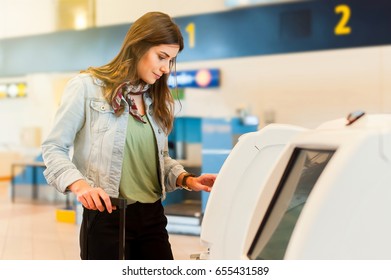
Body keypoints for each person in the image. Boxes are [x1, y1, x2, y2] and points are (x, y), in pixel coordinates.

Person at [41, 11, 216, 260]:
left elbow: (160, 160)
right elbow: (53, 147)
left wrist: (187, 179)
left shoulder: (155, 100)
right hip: (106, 218)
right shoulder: (86, 87)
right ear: (139, 46)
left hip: (153, 218)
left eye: (171, 61)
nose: (166, 69)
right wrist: (80, 186)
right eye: (162, 57)